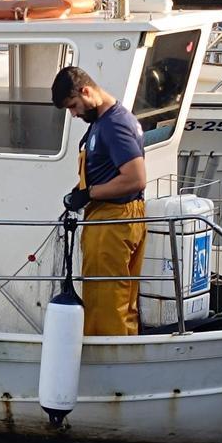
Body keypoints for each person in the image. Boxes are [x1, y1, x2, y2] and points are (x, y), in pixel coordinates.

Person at [51, 66, 146, 336]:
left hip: (114, 220)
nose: (74, 114)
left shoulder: (114, 124)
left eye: (73, 105)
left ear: (86, 91)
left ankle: (108, 354)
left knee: (107, 302)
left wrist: (89, 193)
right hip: (115, 217)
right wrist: (79, 192)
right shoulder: (103, 121)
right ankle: (123, 349)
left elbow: (136, 178)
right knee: (119, 299)